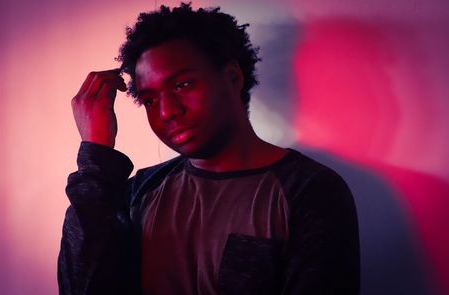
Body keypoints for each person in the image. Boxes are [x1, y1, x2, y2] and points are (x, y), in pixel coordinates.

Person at [58, 3, 360, 295]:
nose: (167, 112)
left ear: (232, 77)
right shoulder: (140, 191)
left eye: (183, 85)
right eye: (150, 100)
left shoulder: (309, 191)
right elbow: (82, 287)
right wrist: (95, 152)